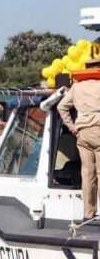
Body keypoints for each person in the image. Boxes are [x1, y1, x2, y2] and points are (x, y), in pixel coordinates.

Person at [57, 58, 100, 220]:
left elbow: (62, 106)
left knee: (87, 173)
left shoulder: (76, 87)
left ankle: (88, 213)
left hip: (82, 133)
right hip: (98, 130)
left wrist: (72, 126)